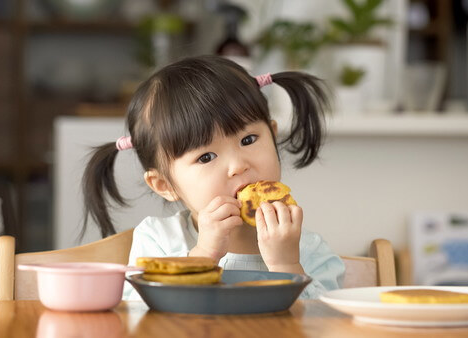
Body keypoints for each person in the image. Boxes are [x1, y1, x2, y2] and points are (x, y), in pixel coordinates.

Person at [82, 55, 345, 300]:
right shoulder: (159, 241)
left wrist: (286, 265)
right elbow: (143, 319)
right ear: (164, 185)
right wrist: (203, 257)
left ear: (273, 136)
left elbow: (323, 325)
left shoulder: (306, 248)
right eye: (206, 157)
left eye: (248, 139)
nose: (237, 166)